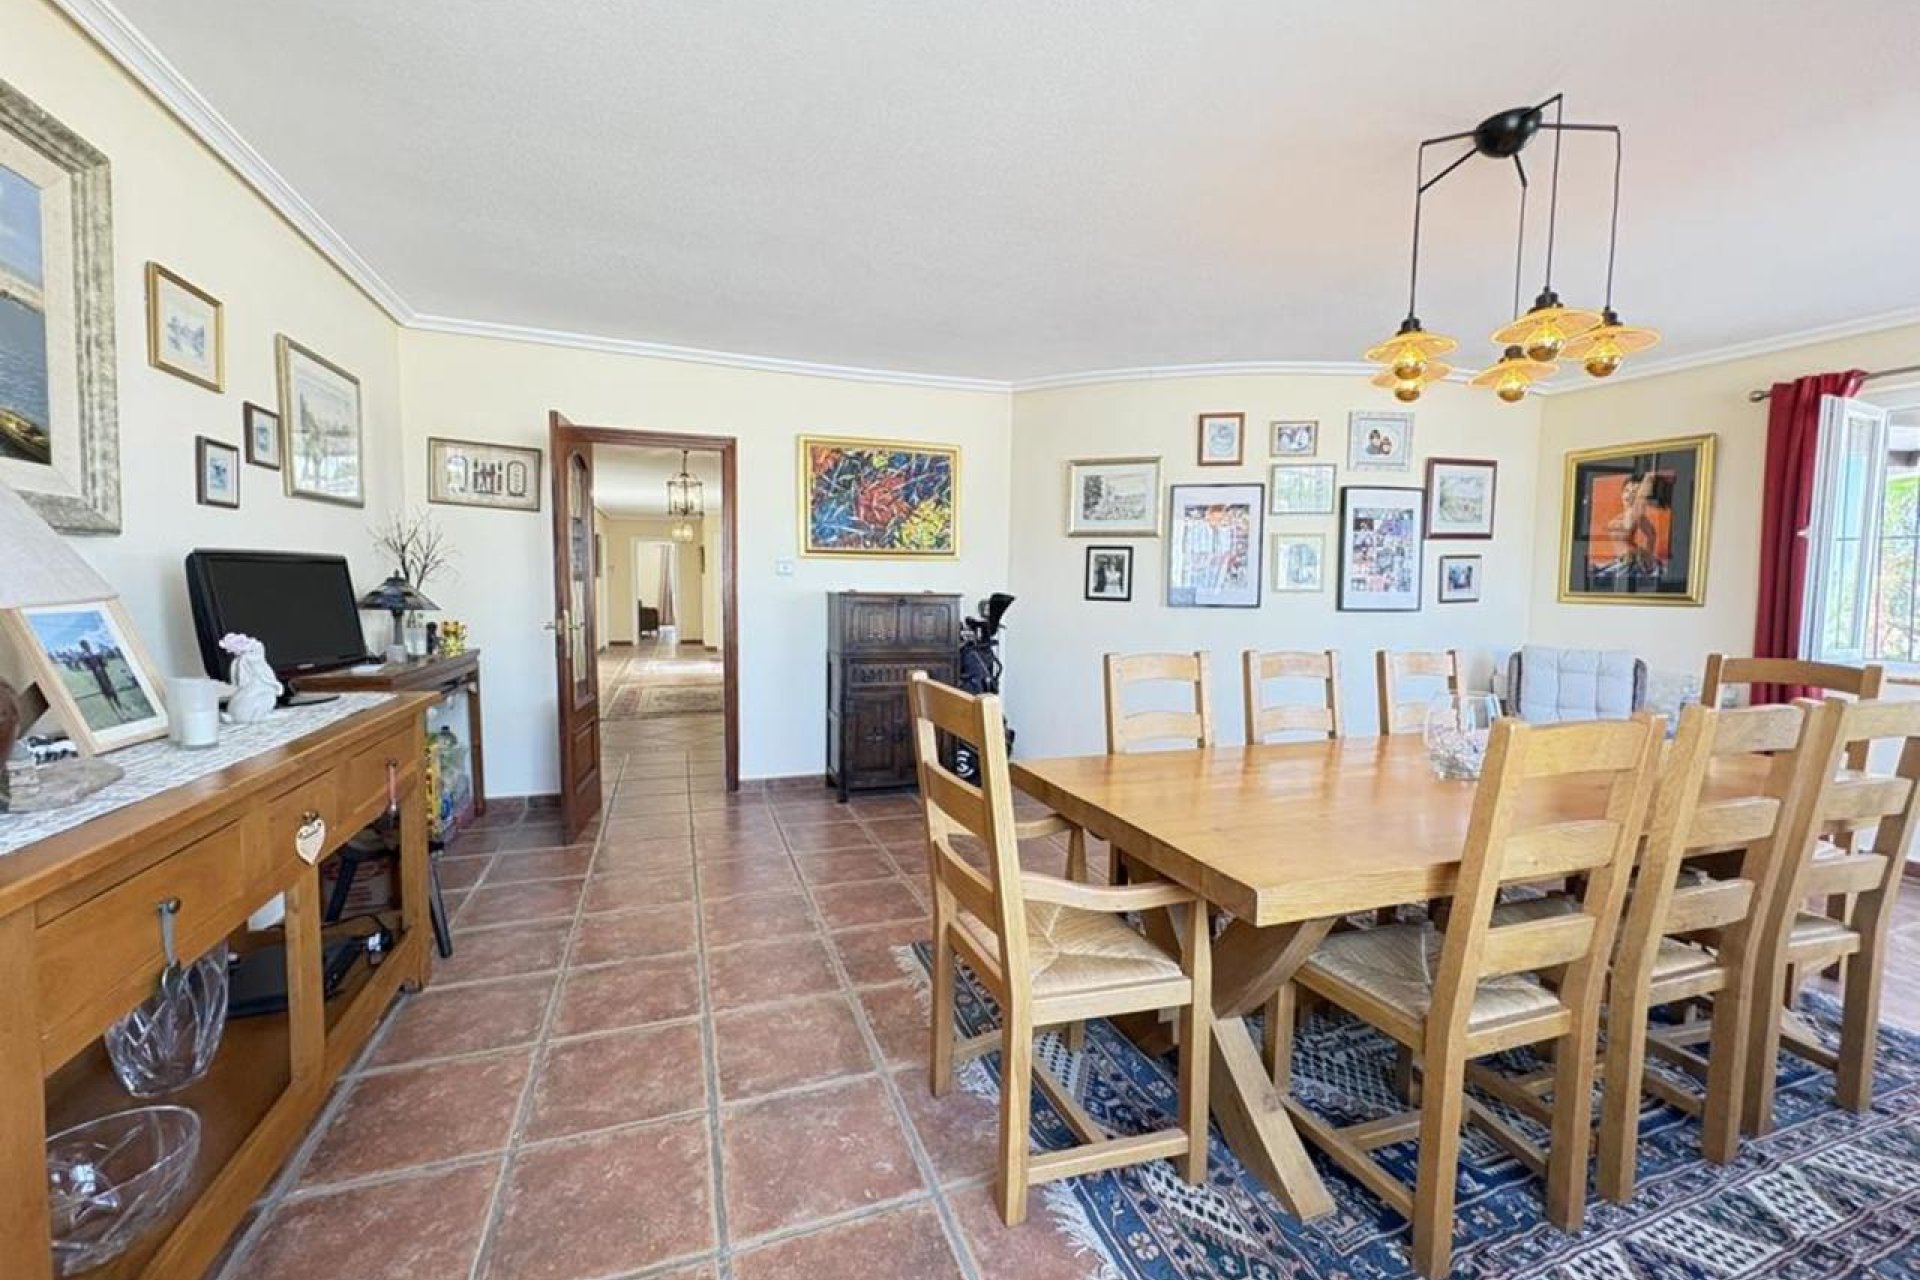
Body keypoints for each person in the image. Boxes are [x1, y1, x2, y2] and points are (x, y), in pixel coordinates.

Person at [77, 638, 128, 718]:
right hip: (98, 677)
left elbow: (104, 663)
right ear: (83, 647)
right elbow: (85, 666)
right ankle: (118, 714)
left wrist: (103, 661)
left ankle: (122, 710)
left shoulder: (95, 653)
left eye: (87, 644)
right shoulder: (85, 657)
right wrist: (93, 667)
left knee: (113, 692)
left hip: (105, 675)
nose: (87, 646)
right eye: (85, 645)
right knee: (107, 694)